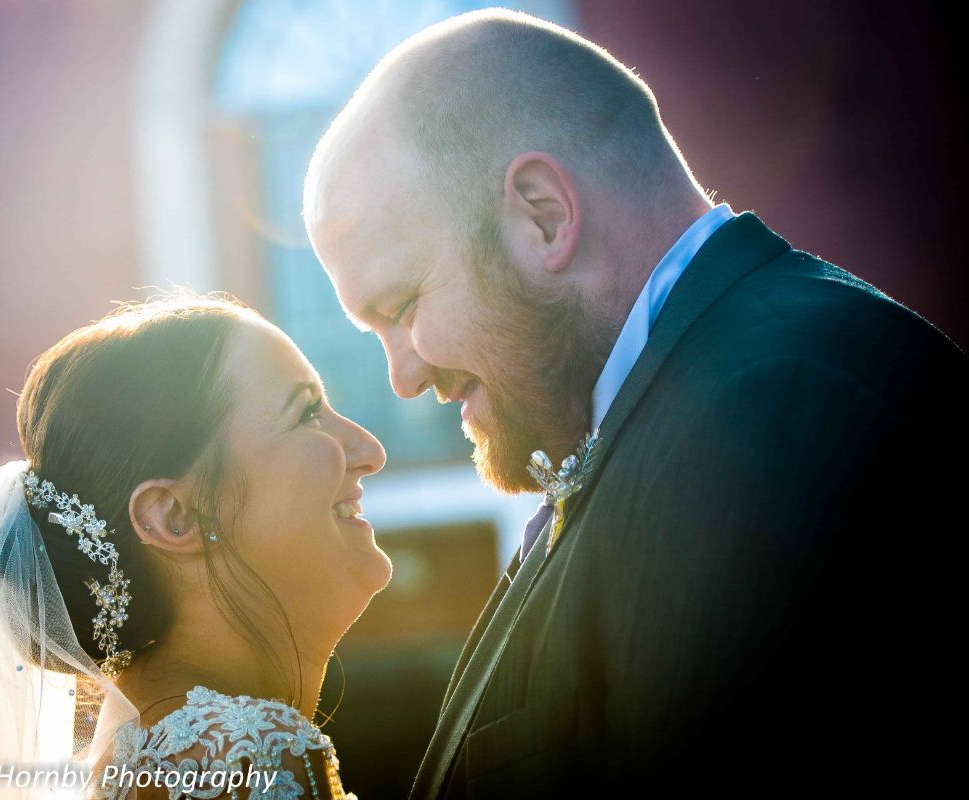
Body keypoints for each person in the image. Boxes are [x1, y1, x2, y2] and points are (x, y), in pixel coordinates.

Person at [303, 8, 968, 795]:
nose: (403, 378)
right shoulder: (675, 414)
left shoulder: (775, 419)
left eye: (403, 305)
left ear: (543, 215)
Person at [0, 295, 387, 799]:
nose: (369, 450)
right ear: (174, 516)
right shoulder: (241, 757)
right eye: (306, 414)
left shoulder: (146, 757)